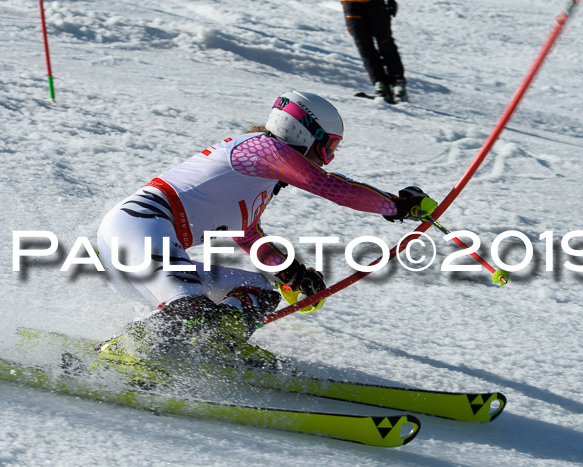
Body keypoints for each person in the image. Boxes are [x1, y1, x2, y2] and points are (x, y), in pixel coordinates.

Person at [93, 91, 436, 385]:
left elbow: (249, 235)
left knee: (258, 291)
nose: (327, 158)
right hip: (136, 228)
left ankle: (216, 344)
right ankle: (117, 353)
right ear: (305, 133)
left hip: (149, 248)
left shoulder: (257, 179)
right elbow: (329, 185)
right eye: (328, 148)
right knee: (192, 308)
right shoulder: (262, 148)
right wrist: (397, 206)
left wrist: (291, 273)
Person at [342, 0, 407, 103]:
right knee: (365, 46)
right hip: (352, 6)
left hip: (374, 4)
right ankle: (381, 84)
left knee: (384, 42)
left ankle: (397, 84)